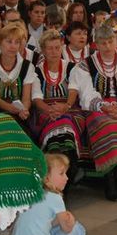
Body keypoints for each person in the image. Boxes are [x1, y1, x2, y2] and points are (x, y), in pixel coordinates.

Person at [68, 25, 117, 201]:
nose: (107, 46)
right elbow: (87, 93)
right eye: (102, 43)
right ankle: (110, 180)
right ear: (96, 44)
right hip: (97, 108)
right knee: (106, 125)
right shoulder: (85, 65)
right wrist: (103, 106)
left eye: (110, 41)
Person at [11, 152, 116, 235]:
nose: (66, 178)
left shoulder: (30, 194)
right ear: (46, 178)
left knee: (53, 226)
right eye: (61, 174)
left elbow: (48, 222)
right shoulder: (54, 197)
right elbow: (67, 229)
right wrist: (70, 219)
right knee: (76, 229)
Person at [24, 30, 84, 179]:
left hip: (69, 109)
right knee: (61, 129)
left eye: (57, 48)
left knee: (65, 125)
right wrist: (50, 110)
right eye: (50, 48)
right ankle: (68, 171)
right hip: (45, 111)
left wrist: (66, 106)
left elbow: (73, 91)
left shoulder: (71, 68)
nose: (54, 52)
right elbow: (36, 99)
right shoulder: (36, 71)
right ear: (43, 50)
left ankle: (63, 175)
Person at [0, 24, 36, 127]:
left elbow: (26, 98)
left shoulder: (27, 66)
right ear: (0, 43)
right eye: (9, 42)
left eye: (17, 42)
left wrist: (24, 110)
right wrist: (12, 109)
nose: (13, 46)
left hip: (19, 113)